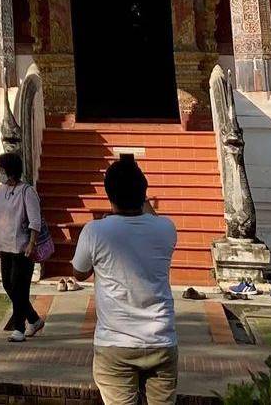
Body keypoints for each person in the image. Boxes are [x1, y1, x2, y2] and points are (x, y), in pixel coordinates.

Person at [72, 155, 179, 405]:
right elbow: (150, 217)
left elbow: (78, 272)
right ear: (144, 194)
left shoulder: (95, 231)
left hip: (115, 344)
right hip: (161, 340)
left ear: (109, 195)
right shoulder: (166, 229)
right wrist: (140, 190)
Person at [0, 151, 47, 342]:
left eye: (2, 170)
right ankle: (34, 319)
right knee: (8, 284)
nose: (0, 173)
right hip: (4, 245)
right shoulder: (0, 190)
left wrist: (32, 242)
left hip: (22, 247)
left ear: (11, 171)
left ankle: (19, 328)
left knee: (19, 287)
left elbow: (35, 221)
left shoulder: (27, 191)